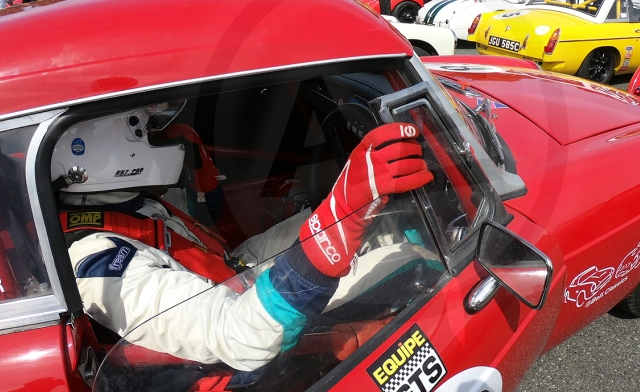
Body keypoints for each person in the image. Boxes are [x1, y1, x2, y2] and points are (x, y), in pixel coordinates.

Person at [51, 110, 432, 369]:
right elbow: (236, 336)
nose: (161, 136)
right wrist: (330, 236)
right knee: (408, 254)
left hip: (231, 271)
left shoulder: (130, 202)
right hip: (248, 326)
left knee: (331, 214)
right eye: (145, 131)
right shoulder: (97, 262)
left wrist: (197, 166)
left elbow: (206, 220)